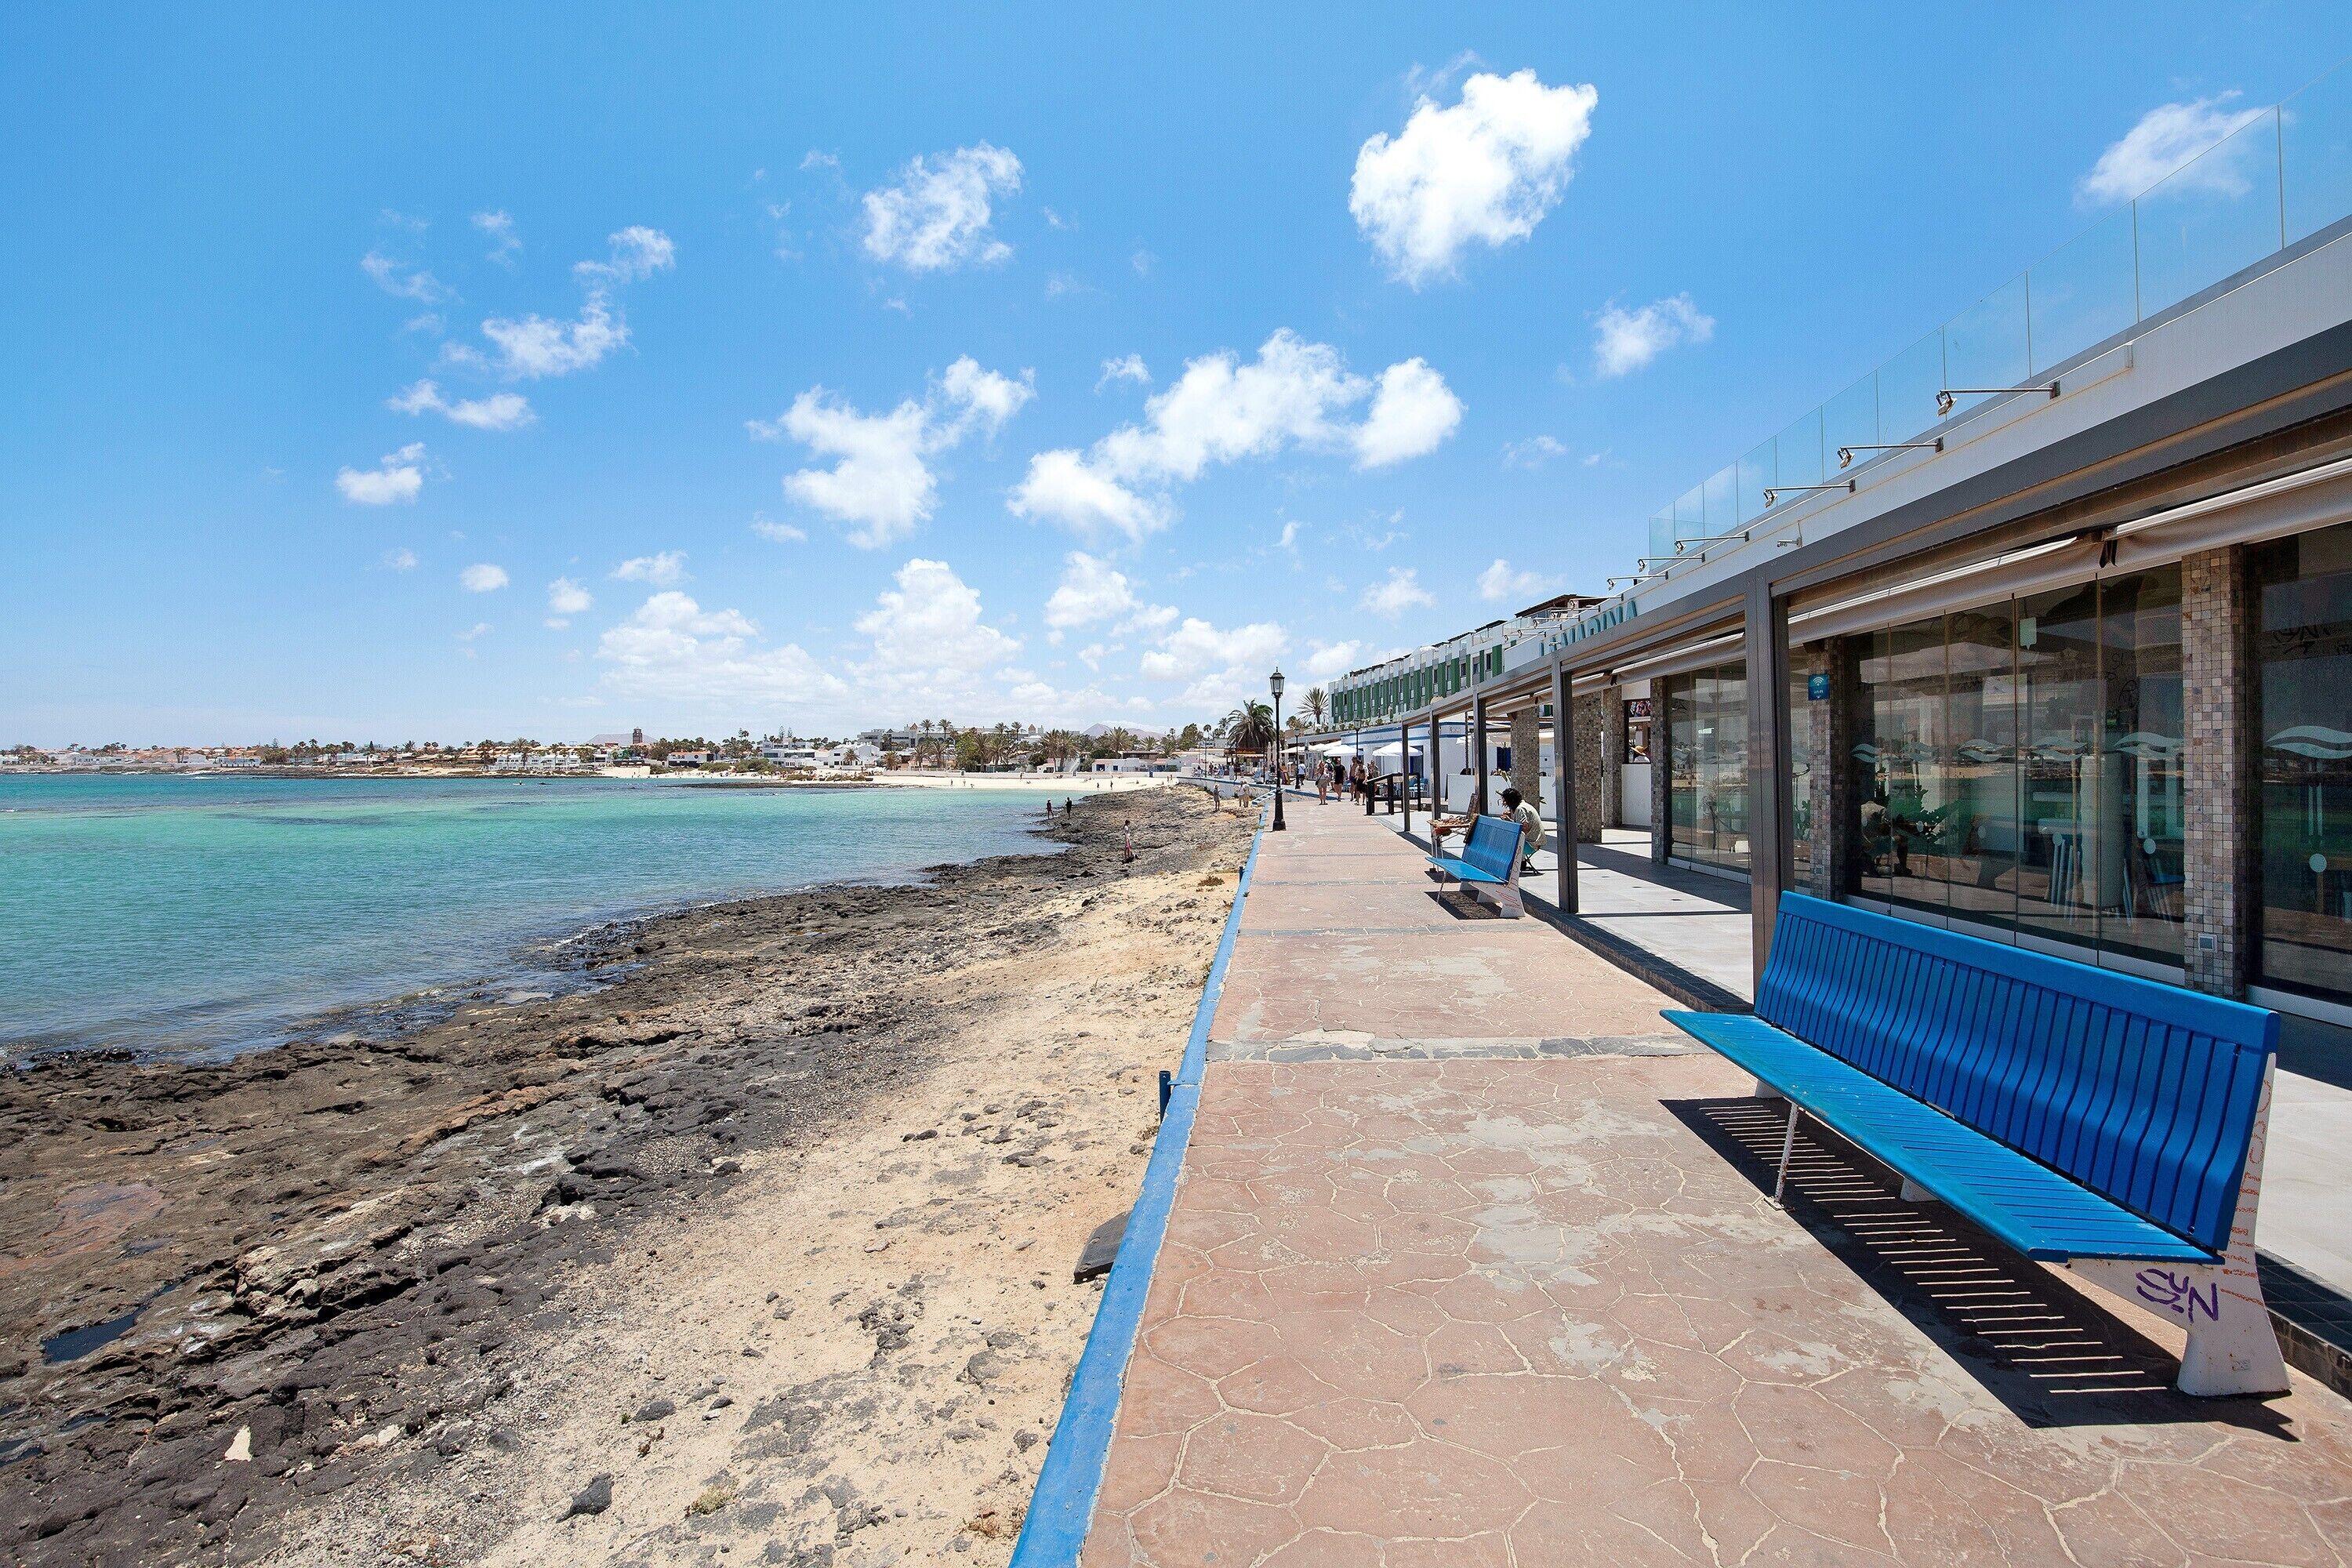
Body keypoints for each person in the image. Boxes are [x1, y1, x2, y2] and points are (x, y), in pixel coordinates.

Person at [1500, 786, 1545, 873]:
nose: (1506, 804)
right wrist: (1510, 820)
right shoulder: (1524, 806)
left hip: (1531, 845)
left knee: (1504, 842)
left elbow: (1524, 827)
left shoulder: (1521, 809)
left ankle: (1508, 867)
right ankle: (1520, 863)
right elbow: (1521, 826)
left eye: (1506, 802)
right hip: (1535, 843)